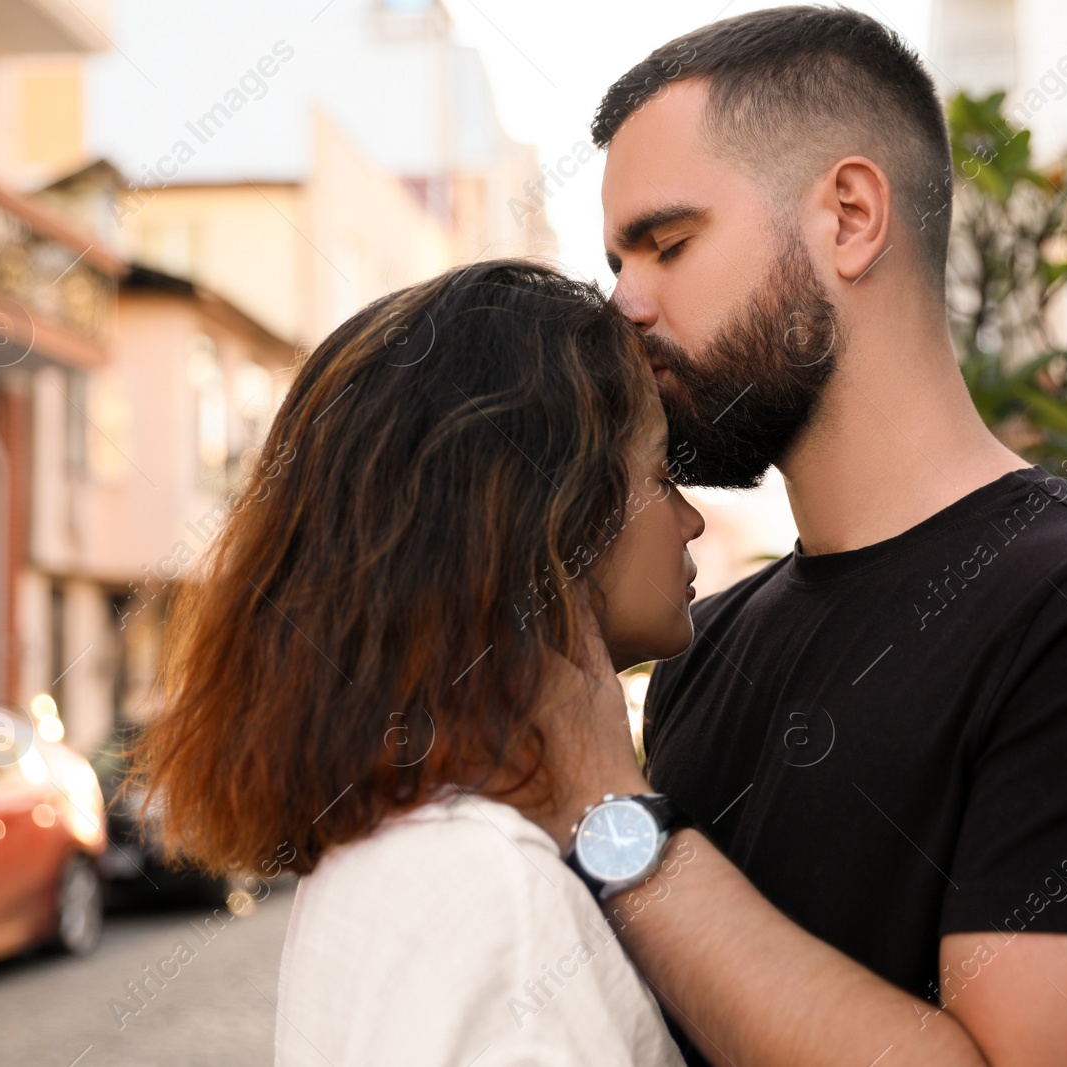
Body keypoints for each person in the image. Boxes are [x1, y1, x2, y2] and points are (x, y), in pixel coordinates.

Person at [535, 7, 1067, 1066]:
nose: (624, 305)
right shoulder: (709, 647)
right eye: (616, 260)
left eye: (667, 244)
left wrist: (613, 815)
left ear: (848, 215)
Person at [128, 260, 704, 1066]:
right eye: (661, 472)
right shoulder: (492, 893)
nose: (694, 518)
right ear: (553, 519)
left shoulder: (396, 848)